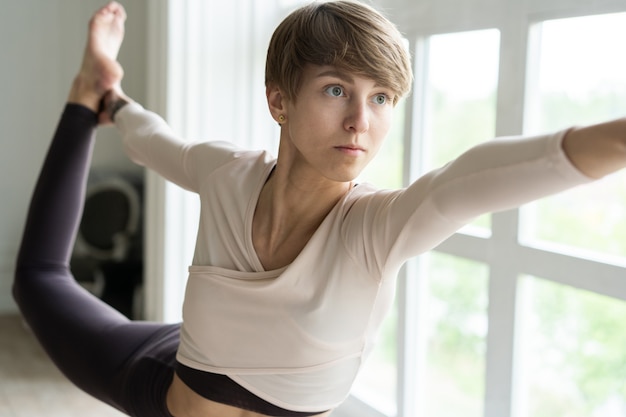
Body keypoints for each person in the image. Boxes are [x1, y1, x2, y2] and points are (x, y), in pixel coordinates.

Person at [12, 1, 626, 417]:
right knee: (38, 282)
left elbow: (464, 182)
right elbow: (154, 141)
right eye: (337, 89)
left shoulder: (376, 232)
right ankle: (90, 88)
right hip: (161, 379)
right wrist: (115, 104)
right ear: (279, 100)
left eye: (382, 97)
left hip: (196, 356)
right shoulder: (229, 173)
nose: (362, 121)